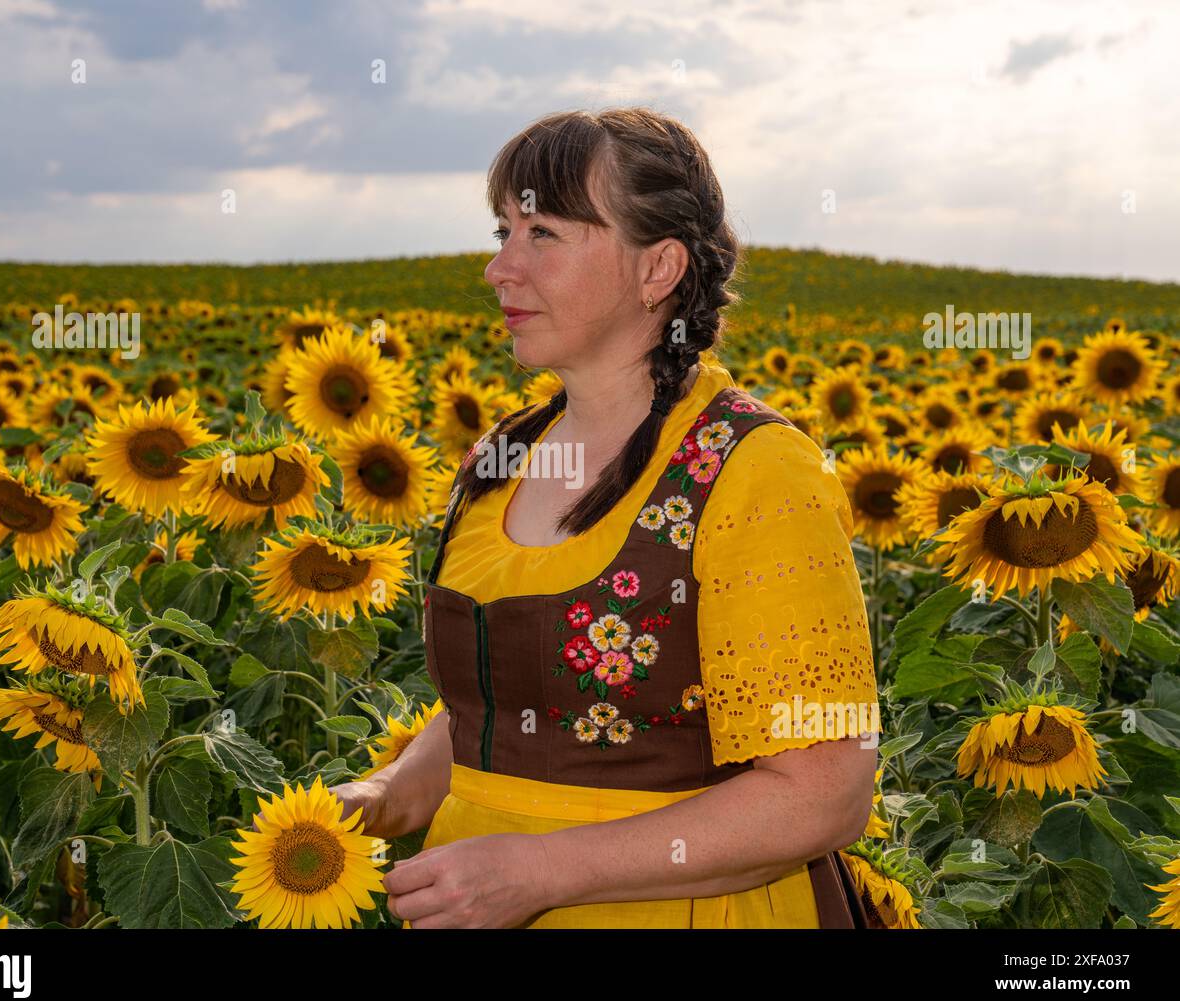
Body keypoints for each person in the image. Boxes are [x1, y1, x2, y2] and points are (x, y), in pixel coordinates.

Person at [333, 107, 880, 928]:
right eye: (502, 231)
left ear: (657, 268)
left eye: (543, 233)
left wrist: (543, 871)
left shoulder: (753, 470)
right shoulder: (502, 457)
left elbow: (823, 795)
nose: (499, 270)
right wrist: (385, 795)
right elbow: (508, 702)